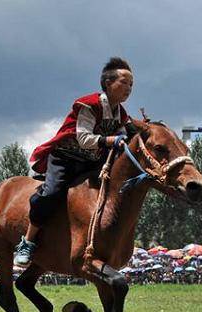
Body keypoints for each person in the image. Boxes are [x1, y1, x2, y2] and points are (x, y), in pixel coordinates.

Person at [13, 57, 134, 266]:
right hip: (65, 159)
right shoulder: (89, 104)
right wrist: (110, 140)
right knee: (51, 194)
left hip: (91, 163)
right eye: (124, 82)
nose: (129, 88)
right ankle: (28, 241)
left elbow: (125, 137)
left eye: (131, 84)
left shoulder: (121, 114)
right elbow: (84, 138)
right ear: (107, 83)